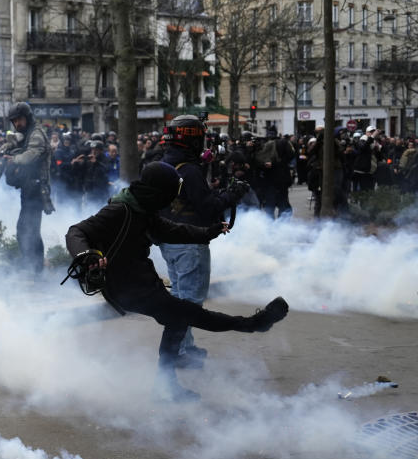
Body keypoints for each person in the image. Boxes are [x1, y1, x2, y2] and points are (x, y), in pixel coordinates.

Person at [66, 162, 289, 402]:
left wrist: (209, 232)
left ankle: (166, 385)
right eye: (172, 191)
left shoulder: (142, 209)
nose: (174, 198)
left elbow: (173, 230)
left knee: (179, 319)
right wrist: (85, 255)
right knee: (187, 315)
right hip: (126, 287)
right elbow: (76, 232)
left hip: (141, 283)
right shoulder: (121, 210)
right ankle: (253, 324)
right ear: (158, 190)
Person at [157, 115, 249, 367]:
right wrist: (232, 195)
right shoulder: (188, 169)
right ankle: (178, 354)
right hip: (190, 243)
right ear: (192, 139)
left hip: (170, 240)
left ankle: (183, 347)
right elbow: (207, 208)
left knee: (180, 296)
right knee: (189, 303)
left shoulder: (165, 165)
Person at [0, 102, 55, 277]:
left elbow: (31, 156)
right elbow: (7, 147)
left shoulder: (36, 134)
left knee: (29, 229)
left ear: (27, 117)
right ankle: (32, 266)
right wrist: (6, 149)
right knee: (25, 229)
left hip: (37, 189)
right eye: (14, 121)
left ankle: (35, 269)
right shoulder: (25, 134)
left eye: (19, 120)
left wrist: (13, 160)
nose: (17, 124)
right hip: (28, 189)